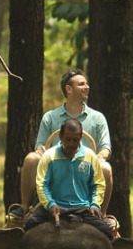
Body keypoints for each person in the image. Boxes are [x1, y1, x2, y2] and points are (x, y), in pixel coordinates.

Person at [19, 69, 113, 212]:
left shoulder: (98, 118)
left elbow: (105, 147)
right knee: (31, 158)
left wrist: (99, 157)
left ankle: (102, 213)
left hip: (85, 170)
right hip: (56, 168)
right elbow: (40, 145)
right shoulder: (50, 117)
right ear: (68, 89)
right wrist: (40, 151)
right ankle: (24, 208)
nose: (87, 87)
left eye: (86, 84)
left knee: (106, 168)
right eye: (81, 84)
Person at [26, 117, 115, 240]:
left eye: (75, 140)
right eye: (68, 139)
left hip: (83, 208)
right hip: (54, 206)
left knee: (107, 234)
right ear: (61, 137)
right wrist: (50, 204)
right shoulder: (49, 156)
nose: (72, 144)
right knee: (28, 226)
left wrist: (95, 204)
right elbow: (42, 185)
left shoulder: (90, 156)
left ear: (80, 138)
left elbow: (98, 184)